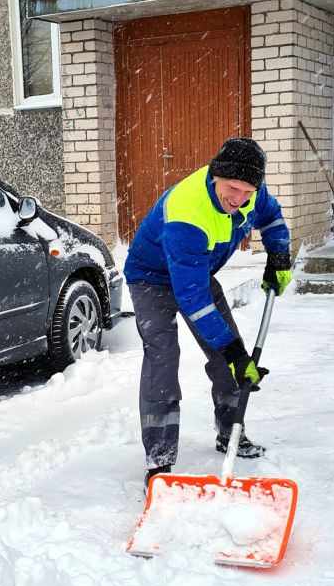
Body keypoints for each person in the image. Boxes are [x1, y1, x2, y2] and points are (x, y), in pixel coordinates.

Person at [123, 137, 293, 486]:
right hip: (151, 278)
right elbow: (193, 299)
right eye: (232, 189)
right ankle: (159, 460)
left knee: (227, 359)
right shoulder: (187, 212)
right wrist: (235, 352)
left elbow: (272, 218)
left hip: (196, 274)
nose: (239, 198)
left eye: (247, 192)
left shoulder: (252, 191)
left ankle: (231, 433)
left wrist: (278, 256)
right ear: (216, 177)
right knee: (163, 360)